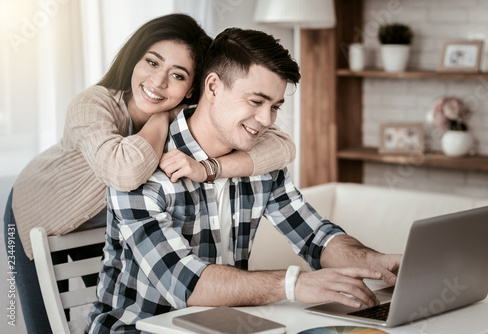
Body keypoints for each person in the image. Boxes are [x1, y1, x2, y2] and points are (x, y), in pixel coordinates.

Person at [85, 27, 401, 333]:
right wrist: (294, 283)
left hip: (222, 326)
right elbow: (186, 283)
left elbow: (315, 236)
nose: (266, 120)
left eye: (275, 106)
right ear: (212, 87)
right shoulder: (143, 170)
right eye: (256, 101)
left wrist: (376, 263)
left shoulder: (258, 163)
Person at [3, 14, 296, 334]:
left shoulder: (190, 119)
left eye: (178, 75)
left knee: (105, 305)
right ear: (134, 58)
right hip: (37, 208)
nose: (158, 82)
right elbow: (125, 171)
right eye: (152, 62)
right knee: (44, 323)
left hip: (106, 217)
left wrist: (210, 168)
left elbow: (282, 148)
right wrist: (163, 119)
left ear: (192, 89)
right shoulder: (92, 105)